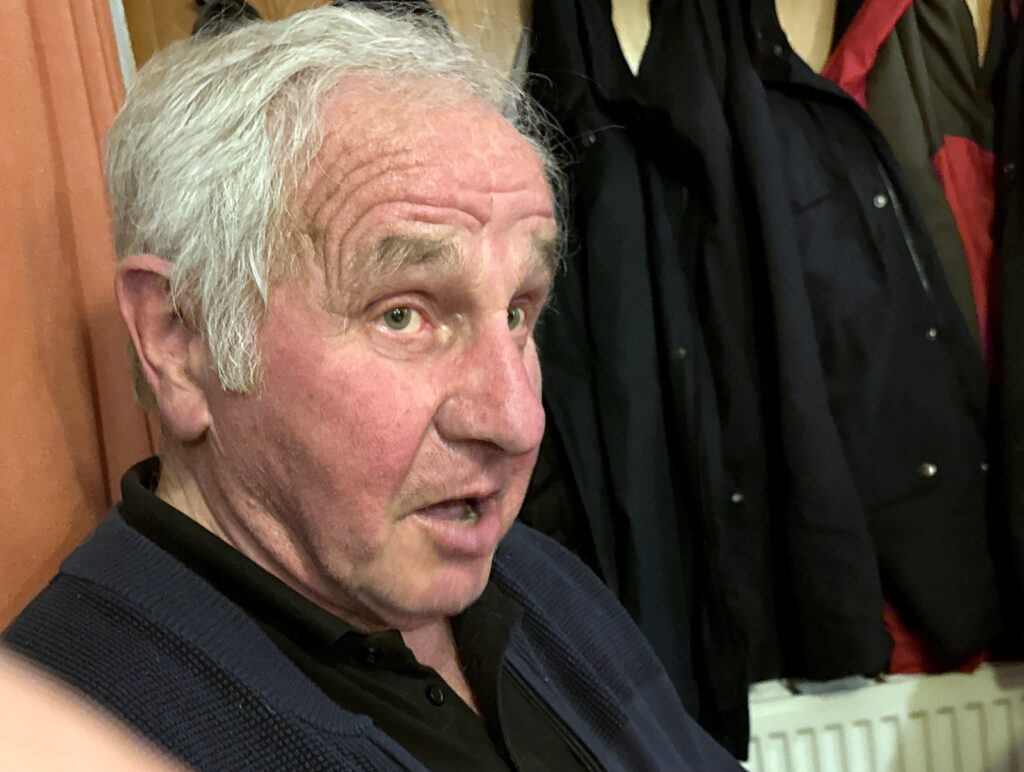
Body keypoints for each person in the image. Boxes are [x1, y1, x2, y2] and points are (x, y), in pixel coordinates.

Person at [3, 6, 741, 770]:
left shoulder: (541, 579)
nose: (519, 420)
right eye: (403, 315)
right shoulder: (77, 733)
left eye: (519, 314)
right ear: (180, 340)